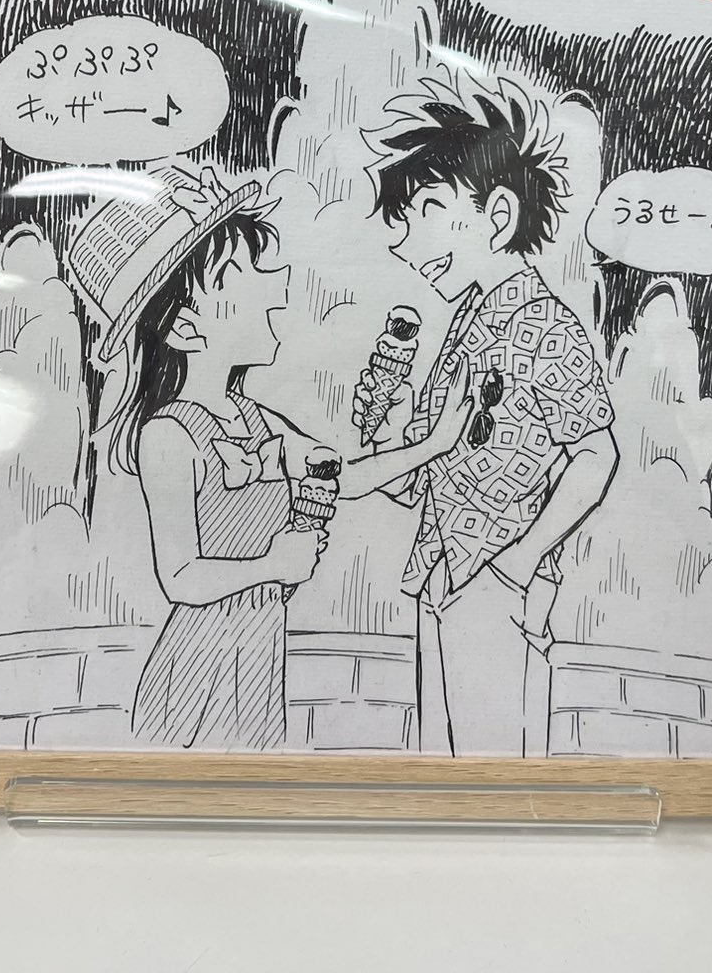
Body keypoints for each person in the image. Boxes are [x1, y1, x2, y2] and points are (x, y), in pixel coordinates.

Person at [341, 77, 620, 757]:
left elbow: (597, 454)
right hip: (442, 574)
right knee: (444, 760)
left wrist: (518, 564)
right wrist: (387, 428)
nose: (407, 240)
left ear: (497, 216)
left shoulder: (545, 325)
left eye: (429, 210)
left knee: (499, 766)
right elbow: (429, 470)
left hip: (499, 581)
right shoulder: (466, 323)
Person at [67, 165, 337, 751]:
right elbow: (180, 575)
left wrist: (432, 445)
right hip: (199, 671)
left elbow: (337, 470)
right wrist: (273, 565)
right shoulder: (169, 436)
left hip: (258, 664)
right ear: (187, 328)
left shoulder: (256, 418)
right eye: (243, 272)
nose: (275, 285)